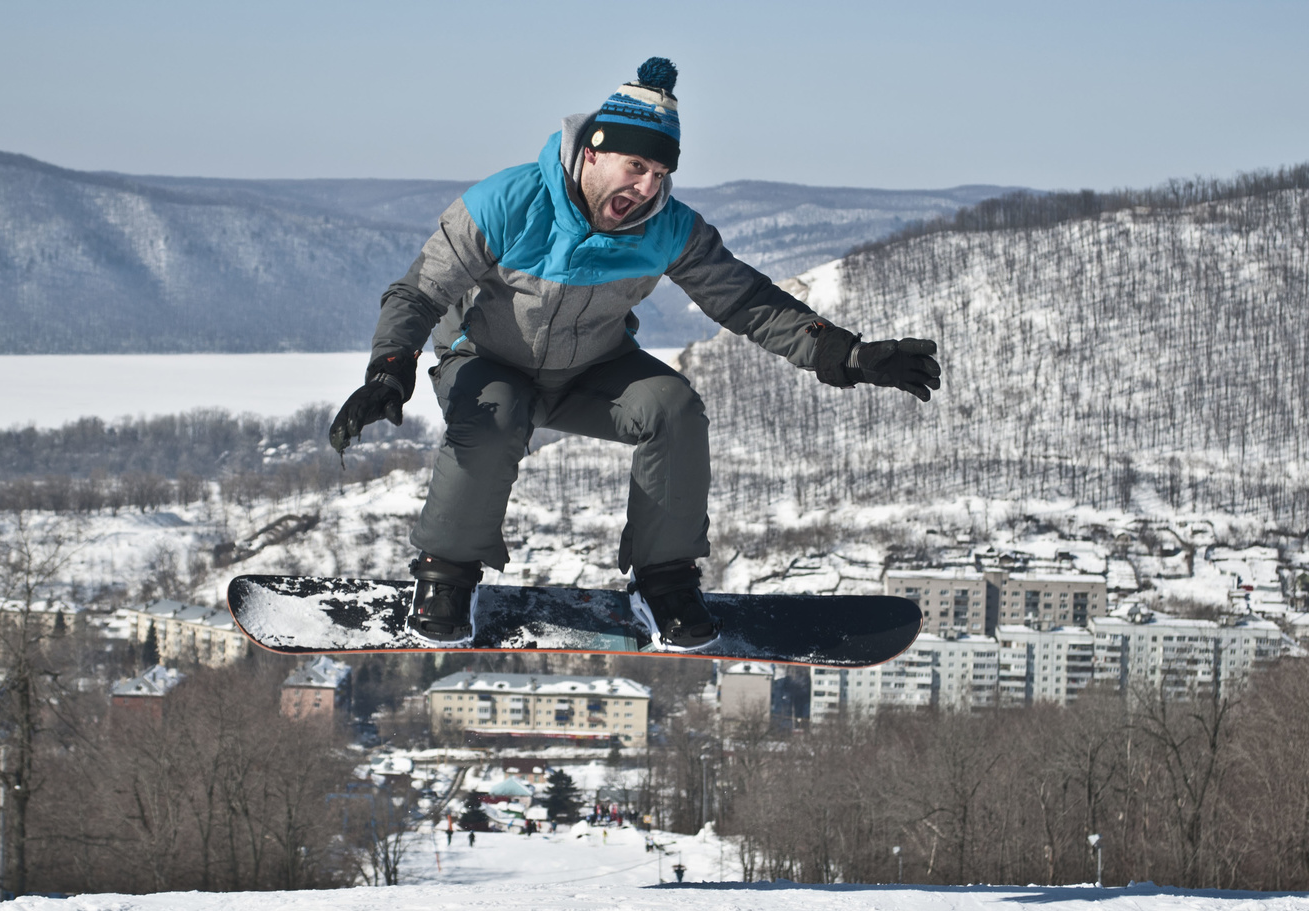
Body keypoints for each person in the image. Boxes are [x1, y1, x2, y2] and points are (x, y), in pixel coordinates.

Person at [330, 57, 941, 649]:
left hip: (592, 367)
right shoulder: (508, 201)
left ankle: (666, 581)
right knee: (495, 417)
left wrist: (847, 353)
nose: (647, 185)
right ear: (592, 151)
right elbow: (419, 289)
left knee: (671, 407)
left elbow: (746, 299)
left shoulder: (667, 226)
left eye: (660, 172)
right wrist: (389, 368)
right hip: (487, 358)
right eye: (635, 165)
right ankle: (446, 576)